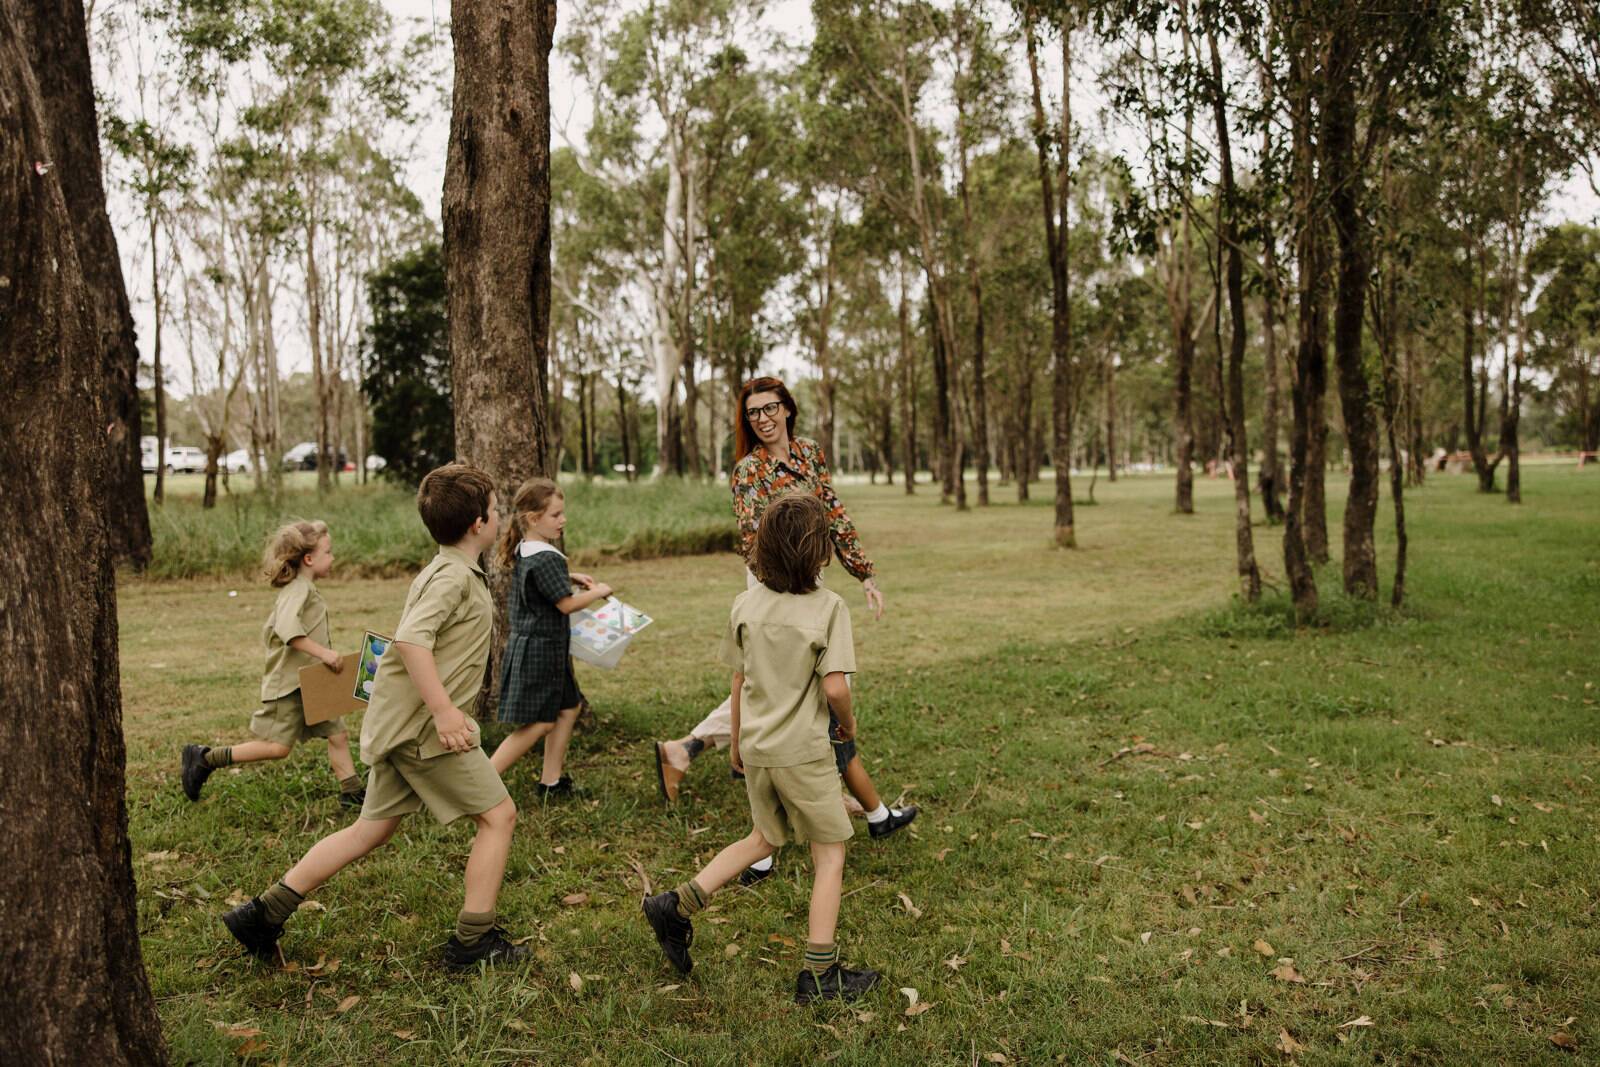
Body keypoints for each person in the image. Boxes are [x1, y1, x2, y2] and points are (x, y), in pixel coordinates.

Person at [220, 463, 530, 971]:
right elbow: (411, 641)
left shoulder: (446, 569)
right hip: (426, 733)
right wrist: (445, 712)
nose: (498, 517)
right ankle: (473, 943)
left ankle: (263, 913)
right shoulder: (452, 577)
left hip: (400, 727)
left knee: (370, 831)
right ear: (479, 523)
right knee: (499, 817)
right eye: (495, 510)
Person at [653, 377, 916, 870]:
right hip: (771, 584)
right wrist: (781, 595)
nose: (763, 419)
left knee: (787, 682)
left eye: (770, 408)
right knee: (783, 682)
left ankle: (691, 752)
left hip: (810, 576)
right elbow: (752, 536)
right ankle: (787, 818)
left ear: (788, 409)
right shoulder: (748, 470)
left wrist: (864, 574)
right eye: (753, 413)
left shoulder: (810, 453)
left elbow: (834, 514)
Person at [642, 493, 880, 1003]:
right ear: (820, 551)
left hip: (757, 748)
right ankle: (820, 974)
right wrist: (848, 724)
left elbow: (739, 678)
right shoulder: (829, 608)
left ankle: (675, 906)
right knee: (830, 854)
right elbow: (835, 687)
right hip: (804, 753)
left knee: (763, 839)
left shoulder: (745, 604)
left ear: (764, 549)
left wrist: (736, 741)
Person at [180, 520, 363, 808]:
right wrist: (324, 654)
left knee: (337, 734)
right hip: (290, 685)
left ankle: (351, 793)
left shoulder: (305, 588)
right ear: (309, 559)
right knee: (277, 748)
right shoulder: (297, 590)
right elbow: (286, 628)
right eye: (328, 552)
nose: (333, 558)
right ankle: (205, 758)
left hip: (312, 682)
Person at [489, 477, 612, 795]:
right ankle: (479, 782)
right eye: (555, 515)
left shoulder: (529, 550)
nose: (563, 520)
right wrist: (599, 591)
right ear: (533, 519)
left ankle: (551, 782)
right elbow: (566, 604)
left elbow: (539, 582)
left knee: (568, 708)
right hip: (541, 652)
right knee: (541, 723)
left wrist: (569, 576)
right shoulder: (546, 557)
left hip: (546, 648)